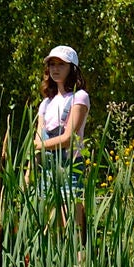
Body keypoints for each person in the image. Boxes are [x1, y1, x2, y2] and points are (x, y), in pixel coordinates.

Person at [36, 45, 91, 188]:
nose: (55, 69)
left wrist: (36, 146)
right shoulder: (46, 103)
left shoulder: (79, 97)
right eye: (52, 64)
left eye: (61, 64)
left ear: (72, 69)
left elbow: (68, 139)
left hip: (71, 169)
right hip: (47, 172)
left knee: (70, 211)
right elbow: (38, 139)